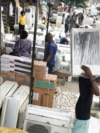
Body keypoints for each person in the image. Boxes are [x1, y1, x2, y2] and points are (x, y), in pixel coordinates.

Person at [72, 65, 99, 133]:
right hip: (81, 114)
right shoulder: (84, 77)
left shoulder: (89, 79)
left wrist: (90, 75)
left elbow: (97, 93)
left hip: (83, 116)